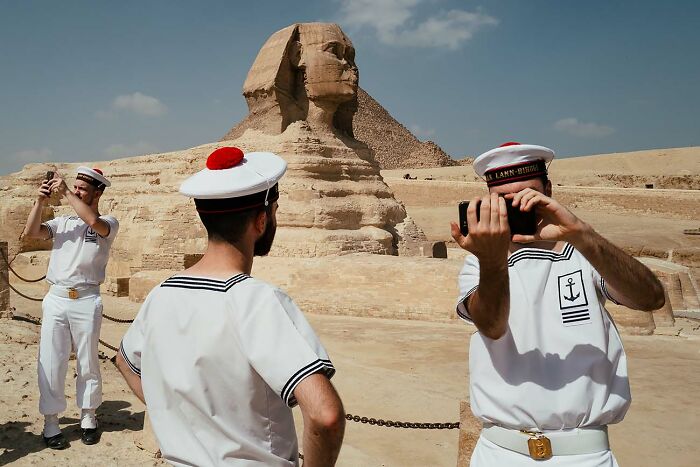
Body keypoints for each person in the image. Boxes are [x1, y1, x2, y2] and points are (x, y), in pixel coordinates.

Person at [115, 147, 345, 466]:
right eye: (275, 211)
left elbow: (125, 363)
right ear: (261, 221)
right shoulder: (256, 300)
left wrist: (184, 420)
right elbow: (325, 416)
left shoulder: (161, 294)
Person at [450, 142, 665, 466]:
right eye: (506, 203)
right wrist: (491, 259)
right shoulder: (479, 265)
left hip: (584, 455)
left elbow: (651, 298)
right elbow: (492, 325)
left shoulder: (586, 255)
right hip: (501, 454)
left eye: (528, 197)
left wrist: (581, 234)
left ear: (548, 190)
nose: (520, 210)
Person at [23, 166, 119, 449]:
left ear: (98, 192)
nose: (76, 191)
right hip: (57, 299)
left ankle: (88, 416)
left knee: (88, 360)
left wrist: (64, 192)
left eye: (82, 189)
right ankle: (51, 422)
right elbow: (32, 232)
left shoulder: (108, 223)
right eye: (75, 187)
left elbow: (92, 220)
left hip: (87, 299)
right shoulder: (63, 222)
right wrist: (40, 202)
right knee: (52, 360)